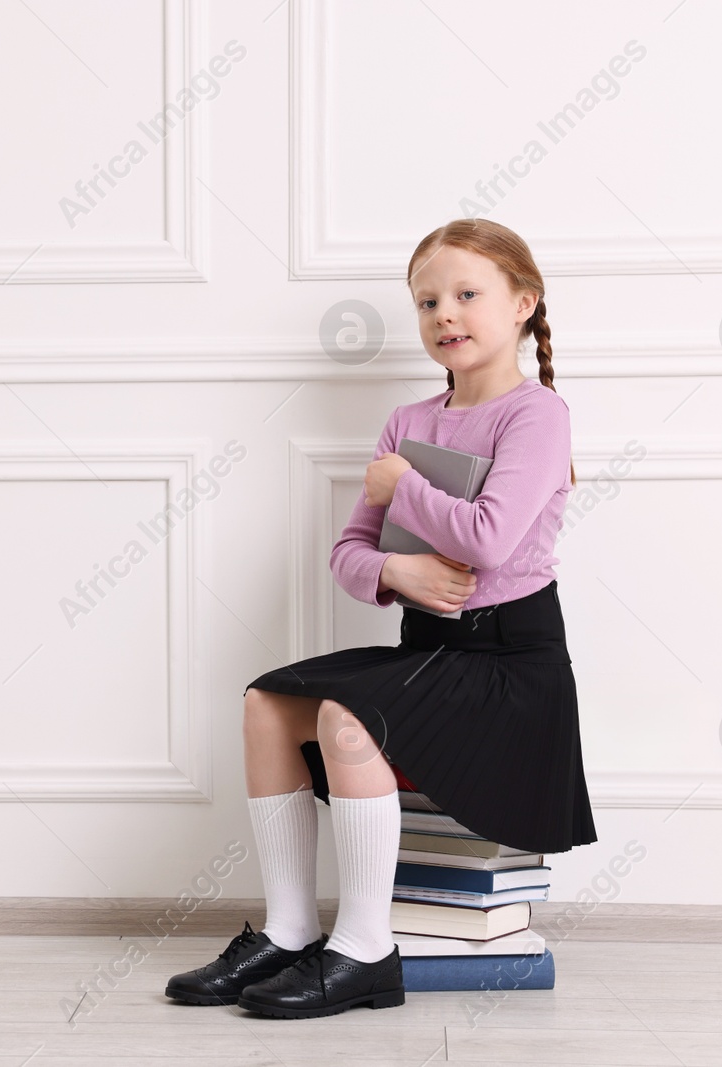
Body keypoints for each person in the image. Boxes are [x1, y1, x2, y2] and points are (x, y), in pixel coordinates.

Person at [165, 217, 598, 1019]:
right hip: (431, 651)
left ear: (523, 304)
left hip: (512, 665)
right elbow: (348, 556)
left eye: (468, 294)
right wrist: (397, 569)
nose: (445, 314)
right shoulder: (408, 421)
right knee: (267, 701)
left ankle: (364, 949)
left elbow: (492, 539)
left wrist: (402, 488)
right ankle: (292, 928)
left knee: (346, 716)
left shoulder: (537, 415)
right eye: (428, 300)